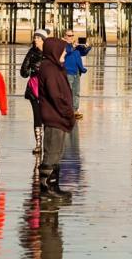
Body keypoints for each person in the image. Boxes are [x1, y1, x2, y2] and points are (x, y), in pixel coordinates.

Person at [37, 35, 75, 199]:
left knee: (56, 152)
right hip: (55, 116)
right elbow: (55, 95)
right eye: (62, 51)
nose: (64, 54)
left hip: (56, 115)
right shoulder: (50, 69)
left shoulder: (53, 66)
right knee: (53, 152)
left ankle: (52, 186)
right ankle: (48, 188)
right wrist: (68, 113)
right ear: (54, 51)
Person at [20, 30, 48, 155]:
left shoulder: (50, 53)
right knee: (37, 116)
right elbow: (23, 72)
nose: (35, 39)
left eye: (38, 37)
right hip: (34, 88)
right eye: (35, 37)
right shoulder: (31, 52)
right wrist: (31, 68)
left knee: (47, 116)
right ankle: (38, 144)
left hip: (47, 88)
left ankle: (48, 143)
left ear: (43, 40)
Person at [61, 30, 88, 113]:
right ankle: (66, 109)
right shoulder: (62, 45)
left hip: (77, 72)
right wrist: (72, 46)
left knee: (76, 92)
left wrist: (87, 47)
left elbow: (83, 53)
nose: (71, 37)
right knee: (67, 93)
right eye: (69, 35)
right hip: (68, 72)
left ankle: (75, 110)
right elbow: (67, 51)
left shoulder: (74, 46)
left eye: (72, 35)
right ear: (64, 36)